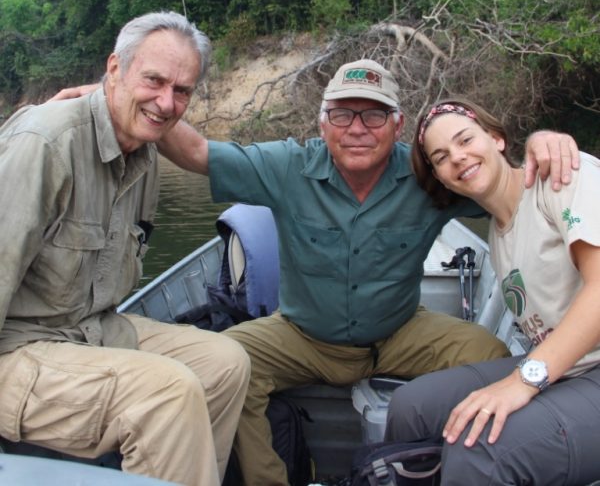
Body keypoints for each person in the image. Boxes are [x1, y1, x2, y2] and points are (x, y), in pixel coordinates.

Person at [150, 58, 580, 486]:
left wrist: (545, 143)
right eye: (342, 114)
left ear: (397, 125)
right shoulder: (286, 166)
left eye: (374, 115)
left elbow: (509, 184)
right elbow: (196, 152)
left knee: (493, 356)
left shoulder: (431, 175)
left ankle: (441, 465)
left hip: (400, 333)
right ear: (323, 124)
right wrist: (140, 105)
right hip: (300, 336)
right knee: (224, 363)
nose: (357, 129)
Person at [0, 11, 250, 486]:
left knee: (226, 363)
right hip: (15, 350)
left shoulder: (145, 155)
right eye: (154, 80)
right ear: (114, 69)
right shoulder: (45, 143)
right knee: (168, 392)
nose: (167, 102)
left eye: (182, 91)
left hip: (90, 328)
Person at [385, 98, 600, 485]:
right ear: (441, 178)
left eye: (465, 139)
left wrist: (522, 382)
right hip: (567, 368)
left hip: (589, 369)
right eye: (441, 157)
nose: (458, 157)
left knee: (478, 447)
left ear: (497, 138)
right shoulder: (499, 234)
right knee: (411, 407)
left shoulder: (561, 175)